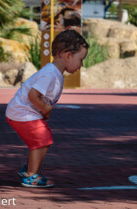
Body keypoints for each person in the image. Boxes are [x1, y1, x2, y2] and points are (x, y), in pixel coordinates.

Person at [5, 29, 89, 188]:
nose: (81, 65)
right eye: (81, 59)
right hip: (21, 113)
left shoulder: (54, 73)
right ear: (68, 55)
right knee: (42, 140)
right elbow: (32, 95)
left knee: (41, 139)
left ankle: (28, 170)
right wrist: (45, 109)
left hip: (22, 112)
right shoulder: (50, 74)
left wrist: (43, 109)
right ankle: (31, 175)